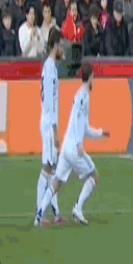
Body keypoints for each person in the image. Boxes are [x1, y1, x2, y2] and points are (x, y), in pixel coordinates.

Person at [35, 63, 110, 226]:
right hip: (74, 148)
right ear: (90, 76)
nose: (94, 79)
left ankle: (40, 214)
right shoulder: (83, 95)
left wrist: (100, 133)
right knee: (94, 176)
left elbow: (85, 127)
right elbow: (76, 119)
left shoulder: (81, 95)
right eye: (94, 76)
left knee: (56, 182)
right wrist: (79, 144)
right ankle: (78, 208)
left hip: (66, 149)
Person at [36, 28, 64, 225]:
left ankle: (56, 213)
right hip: (48, 124)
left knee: (53, 170)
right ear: (55, 45)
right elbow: (49, 104)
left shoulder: (51, 66)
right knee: (48, 169)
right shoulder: (50, 68)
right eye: (61, 45)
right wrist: (54, 131)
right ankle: (40, 214)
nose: (63, 49)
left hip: (49, 123)